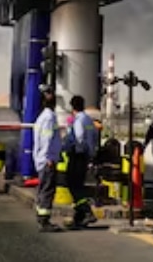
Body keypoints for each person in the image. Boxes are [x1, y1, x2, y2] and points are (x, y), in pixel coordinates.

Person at [64, 95, 98, 229]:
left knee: (73, 184)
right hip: (86, 156)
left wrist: (70, 146)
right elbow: (94, 136)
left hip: (77, 155)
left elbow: (79, 138)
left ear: (72, 107)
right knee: (78, 184)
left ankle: (87, 211)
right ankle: (79, 217)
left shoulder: (78, 120)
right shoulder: (89, 120)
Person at [33, 90, 63, 232]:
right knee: (47, 190)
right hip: (47, 159)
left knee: (43, 188)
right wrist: (49, 158)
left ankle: (41, 216)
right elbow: (47, 139)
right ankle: (44, 220)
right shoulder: (49, 117)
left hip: (41, 158)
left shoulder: (42, 117)